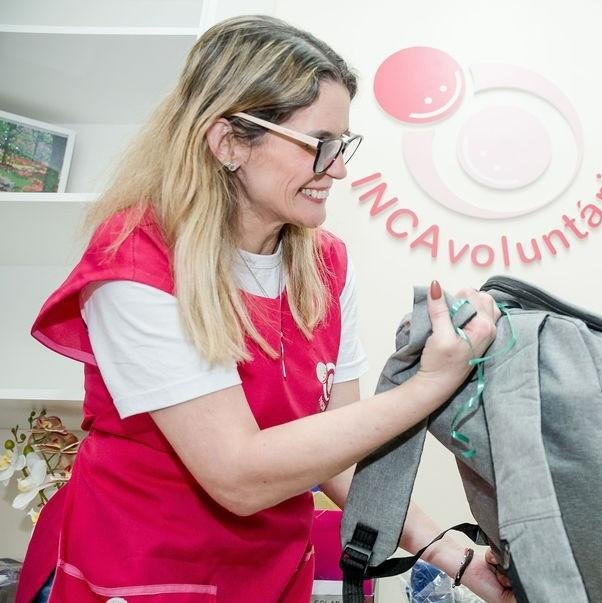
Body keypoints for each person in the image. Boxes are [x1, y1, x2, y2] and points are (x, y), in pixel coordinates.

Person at [20, 15, 512, 603]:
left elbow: (339, 456)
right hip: (140, 574)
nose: (340, 170)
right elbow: (239, 476)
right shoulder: (136, 268)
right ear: (228, 141)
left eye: (344, 145)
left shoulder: (325, 265)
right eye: (320, 146)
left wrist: (457, 559)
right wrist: (430, 386)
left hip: (270, 577)